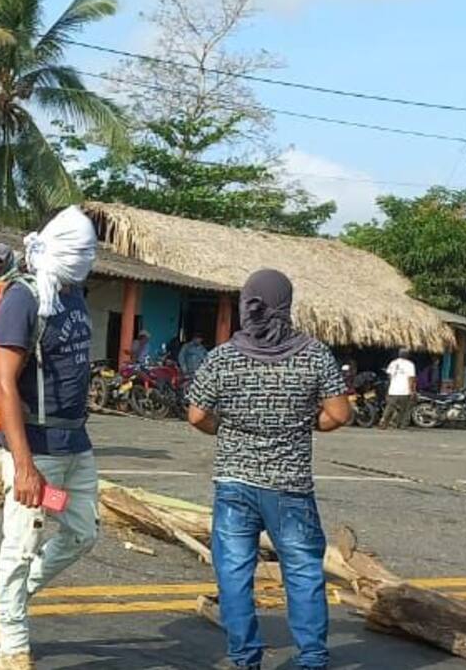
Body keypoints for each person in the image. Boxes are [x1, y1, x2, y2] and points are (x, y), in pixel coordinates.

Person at [187, 268, 351, 670]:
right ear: (286, 305)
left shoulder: (223, 356)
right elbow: (339, 413)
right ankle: (311, 658)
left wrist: (225, 430)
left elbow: (196, 416)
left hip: (234, 482)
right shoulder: (313, 354)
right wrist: (310, 423)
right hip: (290, 485)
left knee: (234, 573)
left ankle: (245, 658)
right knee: (302, 572)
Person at [0, 207, 100, 670]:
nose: (89, 259)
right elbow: (3, 380)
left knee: (84, 533)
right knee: (21, 545)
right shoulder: (23, 298)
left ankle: (3, 602)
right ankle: (14, 648)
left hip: (75, 446)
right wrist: (23, 464)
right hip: (37, 449)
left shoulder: (74, 293)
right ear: (63, 251)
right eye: (82, 251)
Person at [382, 349, 417, 429]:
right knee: (404, 409)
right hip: (404, 391)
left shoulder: (393, 363)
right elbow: (411, 378)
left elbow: (390, 376)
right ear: (407, 355)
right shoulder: (410, 365)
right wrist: (412, 390)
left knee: (390, 407)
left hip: (393, 390)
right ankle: (402, 425)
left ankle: (384, 421)